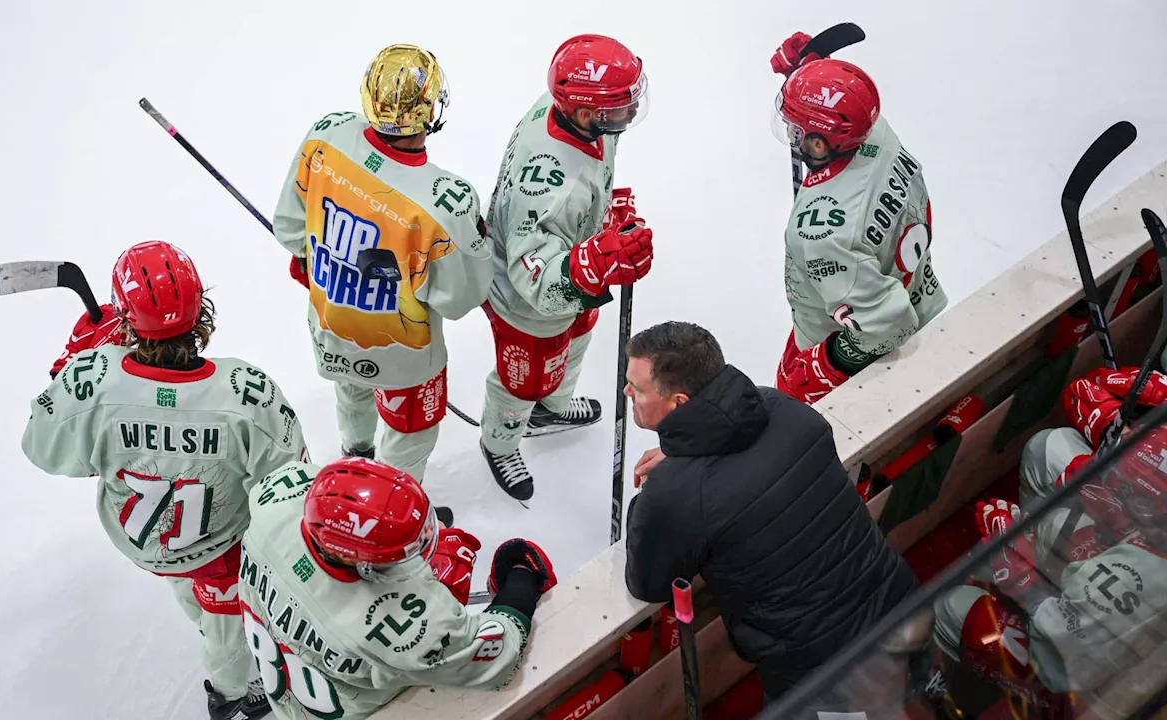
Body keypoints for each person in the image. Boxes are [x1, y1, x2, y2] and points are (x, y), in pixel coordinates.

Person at [22, 240, 311, 719]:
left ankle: (211, 632)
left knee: (187, 581)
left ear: (125, 318)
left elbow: (43, 445)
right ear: (201, 308)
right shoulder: (246, 391)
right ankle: (232, 691)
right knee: (225, 621)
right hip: (223, 548)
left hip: (149, 541)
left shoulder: (95, 379)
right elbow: (289, 486)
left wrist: (72, 366)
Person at [621, 320, 918, 700]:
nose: (627, 390)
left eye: (637, 388)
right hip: (901, 598)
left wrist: (651, 496)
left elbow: (649, 584)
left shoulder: (675, 493)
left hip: (818, 667)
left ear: (679, 403)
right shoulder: (784, 409)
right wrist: (682, 452)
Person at [273, 43, 493, 484]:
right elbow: (460, 297)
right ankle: (391, 502)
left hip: (332, 325)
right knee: (410, 436)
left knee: (351, 390)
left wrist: (324, 261)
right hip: (403, 357)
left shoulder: (326, 136)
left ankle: (354, 456)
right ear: (430, 110)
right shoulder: (446, 201)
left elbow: (290, 229)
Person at [236, 455, 558, 719]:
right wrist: (522, 578)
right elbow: (493, 659)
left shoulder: (277, 495)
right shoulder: (397, 630)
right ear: (360, 563)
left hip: (291, 686)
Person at [930, 364, 1167, 718]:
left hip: (1102, 680)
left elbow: (1063, 655)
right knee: (1048, 449)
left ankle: (1005, 701)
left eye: (1123, 483)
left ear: (1146, 506)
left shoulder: (1143, 584)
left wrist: (1020, 576)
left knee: (951, 609)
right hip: (1141, 555)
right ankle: (1050, 564)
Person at [479, 33, 655, 503]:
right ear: (584, 113)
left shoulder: (575, 114)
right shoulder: (550, 182)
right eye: (621, 106)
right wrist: (593, 264)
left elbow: (586, 185)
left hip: (571, 276)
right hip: (526, 305)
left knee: (576, 342)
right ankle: (500, 441)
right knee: (521, 382)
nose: (631, 113)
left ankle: (551, 407)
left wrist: (604, 219)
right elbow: (531, 275)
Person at [769, 33, 948, 404]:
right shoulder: (875, 131)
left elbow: (889, 325)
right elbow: (847, 108)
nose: (789, 132)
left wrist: (826, 363)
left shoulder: (821, 237)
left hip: (862, 354)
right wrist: (813, 76)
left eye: (796, 128)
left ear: (819, 144)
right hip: (918, 294)